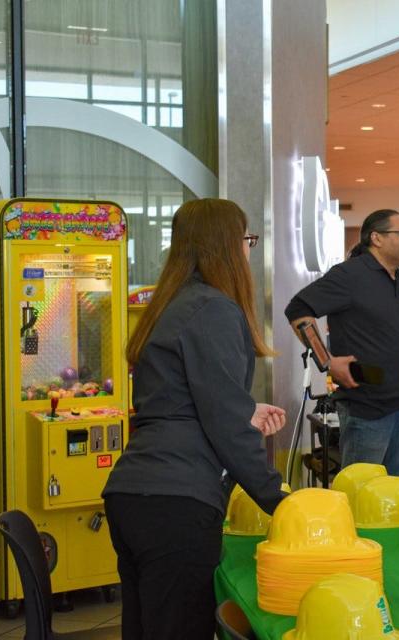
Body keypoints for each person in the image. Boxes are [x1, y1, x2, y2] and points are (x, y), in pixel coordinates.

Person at [103, 198, 287, 640]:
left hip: (134, 493)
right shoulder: (214, 309)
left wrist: (246, 411)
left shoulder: (171, 304)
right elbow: (222, 421)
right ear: (225, 244)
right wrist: (279, 501)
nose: (249, 251)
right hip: (176, 501)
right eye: (246, 240)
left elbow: (180, 399)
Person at [284, 209, 399, 478]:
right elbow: (299, 310)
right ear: (377, 238)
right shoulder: (350, 275)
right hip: (367, 410)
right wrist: (327, 361)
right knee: (361, 495)